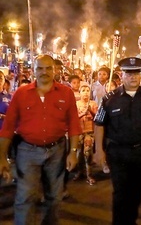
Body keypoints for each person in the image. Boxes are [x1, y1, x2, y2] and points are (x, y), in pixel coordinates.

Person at [0, 54, 82, 224]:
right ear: (33, 71)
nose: (44, 72)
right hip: (27, 151)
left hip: (57, 151)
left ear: (55, 70)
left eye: (48, 68)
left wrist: (73, 152)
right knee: (26, 197)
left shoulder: (66, 93)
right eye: (40, 68)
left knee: (55, 197)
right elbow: (7, 127)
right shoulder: (21, 94)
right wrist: (1, 157)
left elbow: (74, 125)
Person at [94, 56, 141, 225]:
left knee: (138, 191)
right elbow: (99, 124)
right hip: (118, 153)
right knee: (121, 193)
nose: (133, 77)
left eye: (136, 73)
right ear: (122, 75)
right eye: (129, 73)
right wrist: (99, 150)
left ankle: (130, 220)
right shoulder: (110, 99)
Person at [74, 82, 98, 185]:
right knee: (79, 153)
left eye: (87, 91)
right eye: (83, 90)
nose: (85, 93)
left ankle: (89, 175)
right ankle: (80, 171)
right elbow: (73, 118)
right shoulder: (76, 104)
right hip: (79, 132)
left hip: (89, 132)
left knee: (87, 153)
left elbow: (97, 118)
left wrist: (91, 111)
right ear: (79, 92)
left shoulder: (93, 104)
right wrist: (83, 113)